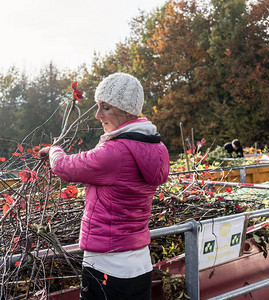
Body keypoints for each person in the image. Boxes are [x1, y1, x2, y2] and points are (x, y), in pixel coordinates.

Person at [38, 73, 170, 300]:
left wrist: (53, 150)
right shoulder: (158, 149)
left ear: (126, 110)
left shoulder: (114, 153)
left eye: (105, 107)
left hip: (108, 266)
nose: (98, 115)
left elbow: (64, 167)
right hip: (139, 264)